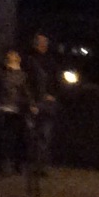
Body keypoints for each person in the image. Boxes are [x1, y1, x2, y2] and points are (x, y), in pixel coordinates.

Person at [0, 48, 30, 176]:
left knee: (15, 139)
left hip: (15, 109)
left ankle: (14, 166)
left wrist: (30, 104)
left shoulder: (22, 75)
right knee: (0, 138)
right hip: (1, 107)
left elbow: (25, 91)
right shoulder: (0, 73)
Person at [21, 31, 59, 180]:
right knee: (32, 135)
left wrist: (52, 94)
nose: (43, 45)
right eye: (41, 42)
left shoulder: (50, 61)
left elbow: (56, 81)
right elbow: (26, 82)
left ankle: (41, 166)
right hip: (35, 102)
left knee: (45, 135)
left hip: (47, 103)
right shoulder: (29, 60)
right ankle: (31, 165)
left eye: (45, 42)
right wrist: (31, 100)